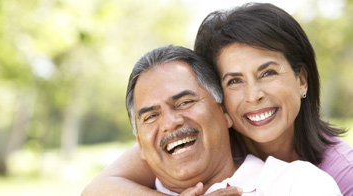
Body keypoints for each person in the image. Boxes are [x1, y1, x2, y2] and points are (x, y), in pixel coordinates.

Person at [82, 2, 353, 196]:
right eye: (234, 81)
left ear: (302, 80)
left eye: (268, 72)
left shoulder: (325, 176)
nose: (254, 95)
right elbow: (97, 188)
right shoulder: (187, 144)